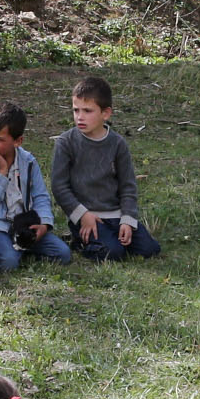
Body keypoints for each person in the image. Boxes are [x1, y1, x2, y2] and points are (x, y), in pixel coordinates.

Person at [50, 75, 160, 261]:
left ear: (106, 113)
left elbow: (128, 185)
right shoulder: (66, 142)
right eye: (76, 110)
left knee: (149, 249)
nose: (80, 117)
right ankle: (79, 240)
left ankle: (108, 236)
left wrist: (127, 220)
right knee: (113, 252)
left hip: (116, 215)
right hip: (87, 216)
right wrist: (82, 215)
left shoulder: (117, 144)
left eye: (87, 111)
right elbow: (59, 186)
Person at [0, 101, 72, 272]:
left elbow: (40, 196)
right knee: (8, 262)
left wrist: (43, 224)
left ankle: (19, 247)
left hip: (22, 224)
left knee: (63, 254)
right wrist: (2, 172)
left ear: (18, 141)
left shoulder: (28, 161)